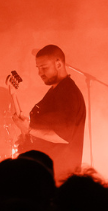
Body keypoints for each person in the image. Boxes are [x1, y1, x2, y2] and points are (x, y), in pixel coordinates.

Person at [14, 45, 85, 182]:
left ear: (59, 64)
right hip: (47, 171)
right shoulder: (56, 90)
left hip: (58, 174)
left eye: (44, 67)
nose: (39, 73)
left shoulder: (67, 93)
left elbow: (63, 135)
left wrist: (29, 129)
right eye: (38, 68)